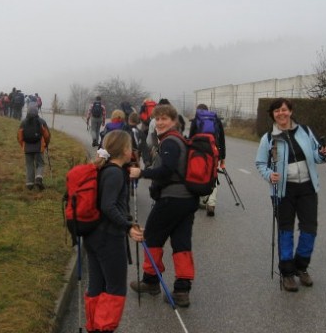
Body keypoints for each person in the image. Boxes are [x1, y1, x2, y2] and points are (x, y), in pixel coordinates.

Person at [255, 97, 326, 292]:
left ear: (290, 111)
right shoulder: (268, 138)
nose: (281, 113)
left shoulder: (305, 131)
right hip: (282, 190)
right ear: (273, 114)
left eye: (284, 110)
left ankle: (301, 267)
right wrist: (269, 175)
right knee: (285, 230)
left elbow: (317, 155)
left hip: (307, 187)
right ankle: (287, 273)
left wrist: (323, 154)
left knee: (309, 229)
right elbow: (260, 163)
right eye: (277, 111)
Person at [129, 104, 198, 307]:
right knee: (181, 243)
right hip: (188, 199)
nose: (160, 122)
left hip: (172, 199)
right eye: (157, 119)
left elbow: (166, 170)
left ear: (174, 121)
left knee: (152, 236)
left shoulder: (170, 142)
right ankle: (182, 290)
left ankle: (151, 282)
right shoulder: (178, 140)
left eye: (164, 119)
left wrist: (141, 173)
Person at [83, 130, 144, 333]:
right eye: (130, 147)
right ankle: (104, 328)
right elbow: (108, 206)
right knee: (115, 289)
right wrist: (127, 226)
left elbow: (110, 205)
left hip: (94, 236)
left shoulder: (104, 169)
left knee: (97, 286)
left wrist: (128, 222)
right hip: (108, 238)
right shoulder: (115, 173)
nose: (132, 151)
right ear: (125, 150)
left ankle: (95, 327)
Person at [189, 104, 226, 217]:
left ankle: (200, 199)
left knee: (199, 173)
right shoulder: (216, 120)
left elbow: (191, 138)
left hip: (199, 151)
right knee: (213, 175)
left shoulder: (196, 120)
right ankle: (211, 203)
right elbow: (222, 139)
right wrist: (222, 157)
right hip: (214, 151)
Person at [17, 105, 51, 190]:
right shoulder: (41, 121)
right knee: (40, 164)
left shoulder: (23, 122)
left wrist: (23, 145)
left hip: (27, 147)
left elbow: (19, 136)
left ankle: (29, 184)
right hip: (39, 147)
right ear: (37, 112)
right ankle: (38, 179)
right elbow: (46, 135)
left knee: (29, 165)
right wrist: (46, 144)